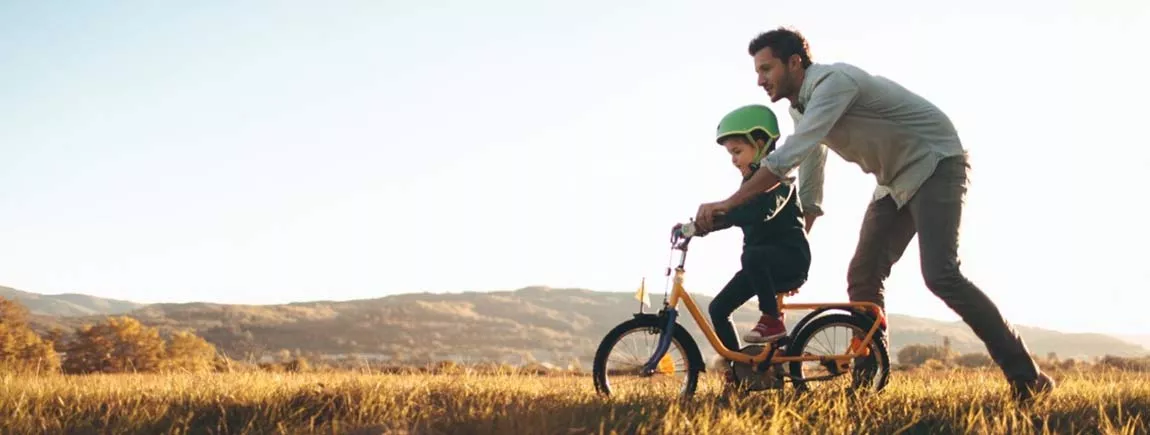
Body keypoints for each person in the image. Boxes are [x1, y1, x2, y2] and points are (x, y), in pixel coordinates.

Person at [693, 27, 1055, 401]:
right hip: (892, 182)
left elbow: (790, 156)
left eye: (766, 69)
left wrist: (727, 203)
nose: (759, 80)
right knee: (863, 276)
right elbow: (812, 165)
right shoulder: (800, 107)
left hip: (936, 161)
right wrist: (801, 235)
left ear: (795, 63)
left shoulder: (833, 84)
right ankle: (869, 380)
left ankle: (1028, 378)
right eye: (758, 71)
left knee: (941, 274)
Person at [690, 104, 812, 382]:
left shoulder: (781, 181)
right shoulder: (748, 186)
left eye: (737, 151)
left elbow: (761, 212)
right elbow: (738, 215)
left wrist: (725, 213)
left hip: (789, 260)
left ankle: (772, 320)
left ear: (760, 144)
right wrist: (701, 226)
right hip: (761, 264)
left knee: (752, 256)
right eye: (730, 154)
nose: (733, 160)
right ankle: (739, 372)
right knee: (718, 309)